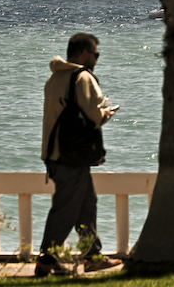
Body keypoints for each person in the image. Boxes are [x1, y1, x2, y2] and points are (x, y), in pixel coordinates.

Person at [37, 33, 118, 277]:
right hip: (72, 155)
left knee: (86, 204)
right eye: (95, 54)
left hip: (55, 153)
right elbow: (94, 114)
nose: (97, 58)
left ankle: (92, 255)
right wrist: (108, 113)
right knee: (65, 209)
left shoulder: (55, 77)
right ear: (84, 54)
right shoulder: (82, 77)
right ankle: (47, 258)